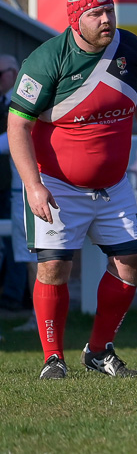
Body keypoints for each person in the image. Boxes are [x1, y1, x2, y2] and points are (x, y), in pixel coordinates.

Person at [7, 0, 137, 379]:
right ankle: (53, 359)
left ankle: (99, 351)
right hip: (57, 186)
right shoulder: (47, 60)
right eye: (95, 14)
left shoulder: (131, 49)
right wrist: (33, 185)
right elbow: (17, 125)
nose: (106, 20)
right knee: (54, 268)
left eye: (109, 11)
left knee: (133, 260)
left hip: (113, 186)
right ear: (75, 21)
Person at [1, 53, 31, 313]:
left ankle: (25, 302)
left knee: (29, 251)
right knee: (18, 248)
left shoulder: (23, 101)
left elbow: (13, 137)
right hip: (13, 188)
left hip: (26, 189)